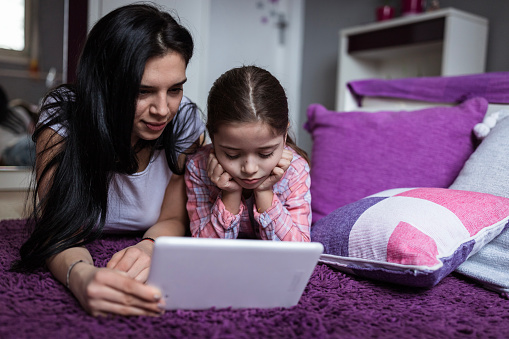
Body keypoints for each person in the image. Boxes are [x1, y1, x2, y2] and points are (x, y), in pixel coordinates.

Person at [11, 3, 205, 317]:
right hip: (33, 142)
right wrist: (82, 276)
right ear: (105, 83)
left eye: (175, 89)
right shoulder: (64, 114)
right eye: (143, 91)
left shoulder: (184, 122)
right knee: (13, 146)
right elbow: (57, 226)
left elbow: (173, 219)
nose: (163, 109)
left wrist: (149, 247)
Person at [185, 66, 311, 241]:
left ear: (284, 135)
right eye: (232, 155)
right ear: (213, 139)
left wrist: (265, 191)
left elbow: (298, 250)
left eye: (266, 154)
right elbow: (204, 249)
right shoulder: (198, 167)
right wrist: (230, 194)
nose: (250, 169)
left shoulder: (295, 170)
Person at [0, 86, 37, 166]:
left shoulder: (18, 110)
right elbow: (33, 131)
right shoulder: (18, 111)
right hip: (20, 144)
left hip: (16, 147)